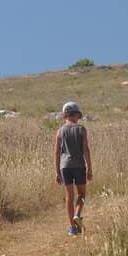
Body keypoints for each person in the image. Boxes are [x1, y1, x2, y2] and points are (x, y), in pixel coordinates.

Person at [54, 101, 92, 236]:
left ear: (65, 115)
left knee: (69, 197)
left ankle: (72, 228)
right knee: (81, 194)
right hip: (79, 165)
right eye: (78, 115)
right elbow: (86, 150)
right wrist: (89, 169)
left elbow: (57, 153)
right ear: (75, 114)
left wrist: (57, 172)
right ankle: (77, 214)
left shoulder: (59, 132)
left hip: (65, 167)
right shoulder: (81, 130)